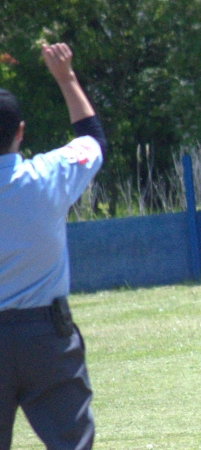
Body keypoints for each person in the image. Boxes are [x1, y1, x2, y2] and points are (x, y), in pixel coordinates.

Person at [0, 43, 106, 449]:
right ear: (20, 131)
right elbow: (92, 138)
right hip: (46, 337)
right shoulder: (48, 174)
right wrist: (66, 77)